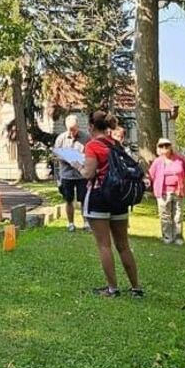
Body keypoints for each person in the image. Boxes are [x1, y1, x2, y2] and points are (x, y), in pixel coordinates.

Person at [78, 110, 142, 298]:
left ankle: (112, 288)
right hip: (120, 197)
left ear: (91, 127)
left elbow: (88, 173)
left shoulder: (92, 145)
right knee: (123, 245)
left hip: (99, 196)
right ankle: (136, 287)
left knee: (104, 245)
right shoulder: (115, 144)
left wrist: (77, 166)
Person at [149, 138, 185, 245]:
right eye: (161, 146)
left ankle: (178, 237)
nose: (164, 148)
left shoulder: (179, 159)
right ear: (159, 148)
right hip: (162, 191)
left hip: (178, 190)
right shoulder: (157, 162)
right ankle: (167, 237)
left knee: (178, 215)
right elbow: (151, 175)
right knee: (165, 215)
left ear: (171, 146)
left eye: (167, 145)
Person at [54, 114, 89, 232]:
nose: (72, 132)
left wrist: (79, 159)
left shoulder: (86, 138)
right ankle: (70, 223)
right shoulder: (61, 138)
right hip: (67, 174)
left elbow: (89, 154)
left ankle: (86, 222)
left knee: (84, 199)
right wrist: (69, 158)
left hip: (81, 174)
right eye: (70, 130)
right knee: (68, 199)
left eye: (74, 129)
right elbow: (57, 154)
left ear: (78, 127)